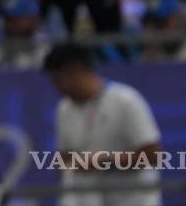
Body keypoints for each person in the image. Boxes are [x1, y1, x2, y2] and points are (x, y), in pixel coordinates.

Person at [43, 42, 163, 206]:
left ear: (75, 71)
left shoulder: (126, 101)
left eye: (57, 79)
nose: (56, 87)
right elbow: (65, 157)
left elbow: (152, 156)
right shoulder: (64, 109)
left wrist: (103, 161)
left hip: (134, 200)